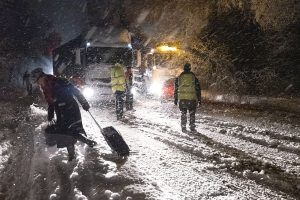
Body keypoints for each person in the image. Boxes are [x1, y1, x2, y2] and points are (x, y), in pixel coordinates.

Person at [31, 68, 97, 161]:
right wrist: (50, 116)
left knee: (69, 129)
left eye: (37, 81)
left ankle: (76, 152)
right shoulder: (45, 88)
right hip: (60, 111)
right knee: (64, 131)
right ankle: (84, 145)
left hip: (70, 108)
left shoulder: (59, 81)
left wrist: (84, 103)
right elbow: (51, 103)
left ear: (42, 77)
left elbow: (75, 91)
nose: (38, 84)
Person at [174, 63, 201, 133]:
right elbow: (198, 89)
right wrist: (199, 99)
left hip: (182, 99)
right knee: (192, 114)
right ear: (190, 68)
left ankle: (183, 127)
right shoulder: (193, 77)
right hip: (192, 99)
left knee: (183, 113)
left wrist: (175, 99)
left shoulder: (179, 77)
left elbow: (176, 89)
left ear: (184, 68)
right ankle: (192, 127)